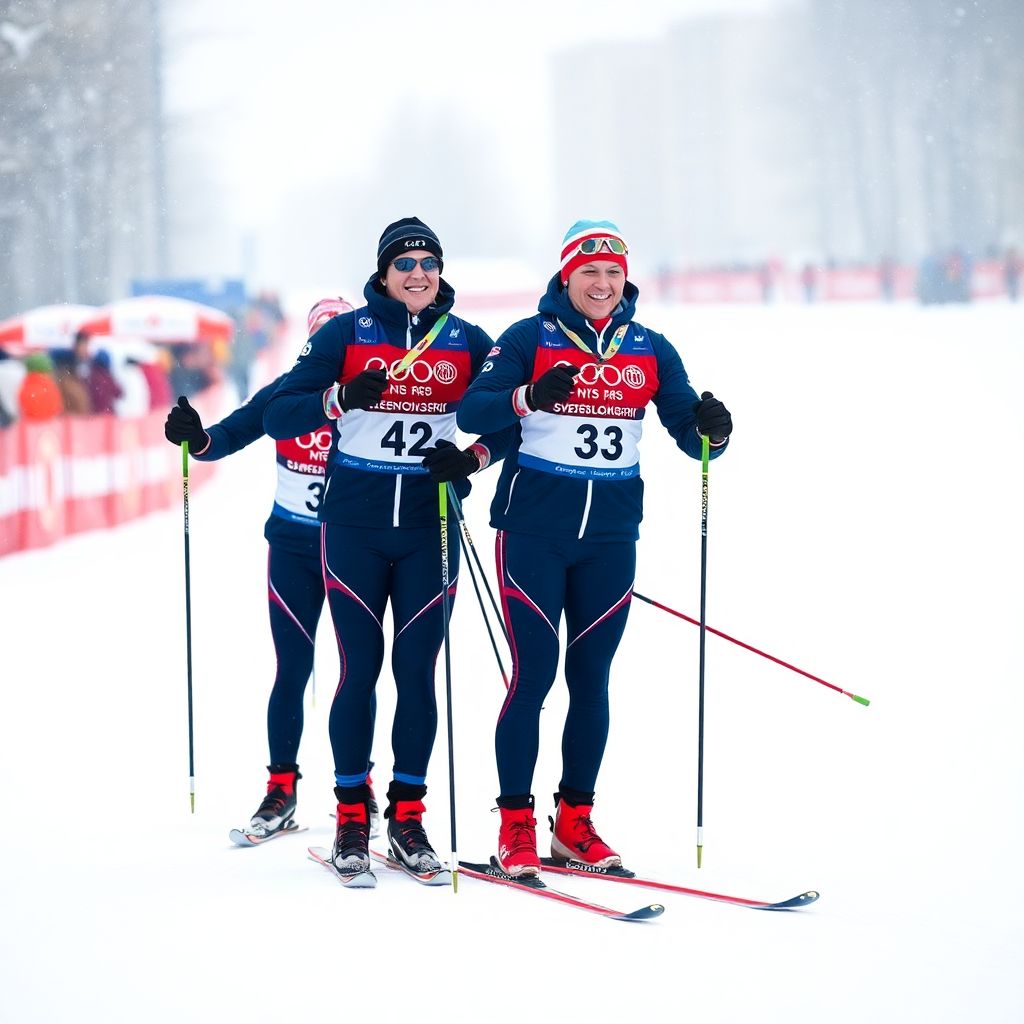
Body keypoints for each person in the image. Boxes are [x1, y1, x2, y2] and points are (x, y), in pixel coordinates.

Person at [457, 219, 733, 877]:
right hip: (534, 533)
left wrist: (712, 433)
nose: (603, 284)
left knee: (591, 679)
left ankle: (574, 822)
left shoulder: (650, 348)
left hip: (611, 537)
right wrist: (526, 395)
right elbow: (474, 411)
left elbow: (687, 431)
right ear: (566, 276)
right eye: (590, 272)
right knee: (534, 675)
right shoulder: (529, 338)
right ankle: (516, 825)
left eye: (613, 273)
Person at [262, 216, 510, 883]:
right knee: (358, 669)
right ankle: (351, 815)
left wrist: (471, 458)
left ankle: (407, 816)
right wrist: (336, 397)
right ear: (383, 272)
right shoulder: (346, 335)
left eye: (429, 262)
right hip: (353, 526)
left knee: (418, 671)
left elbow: (510, 420)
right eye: (405, 264)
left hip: (430, 527)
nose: (419, 274)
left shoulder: (466, 341)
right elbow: (277, 416)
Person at [163, 297, 384, 840]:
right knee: (292, 667)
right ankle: (280, 789)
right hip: (293, 546)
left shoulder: (379, 394)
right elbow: (231, 434)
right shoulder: (289, 391)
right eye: (323, 340)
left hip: (355, 549)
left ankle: (358, 789)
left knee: (358, 671)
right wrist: (195, 436)